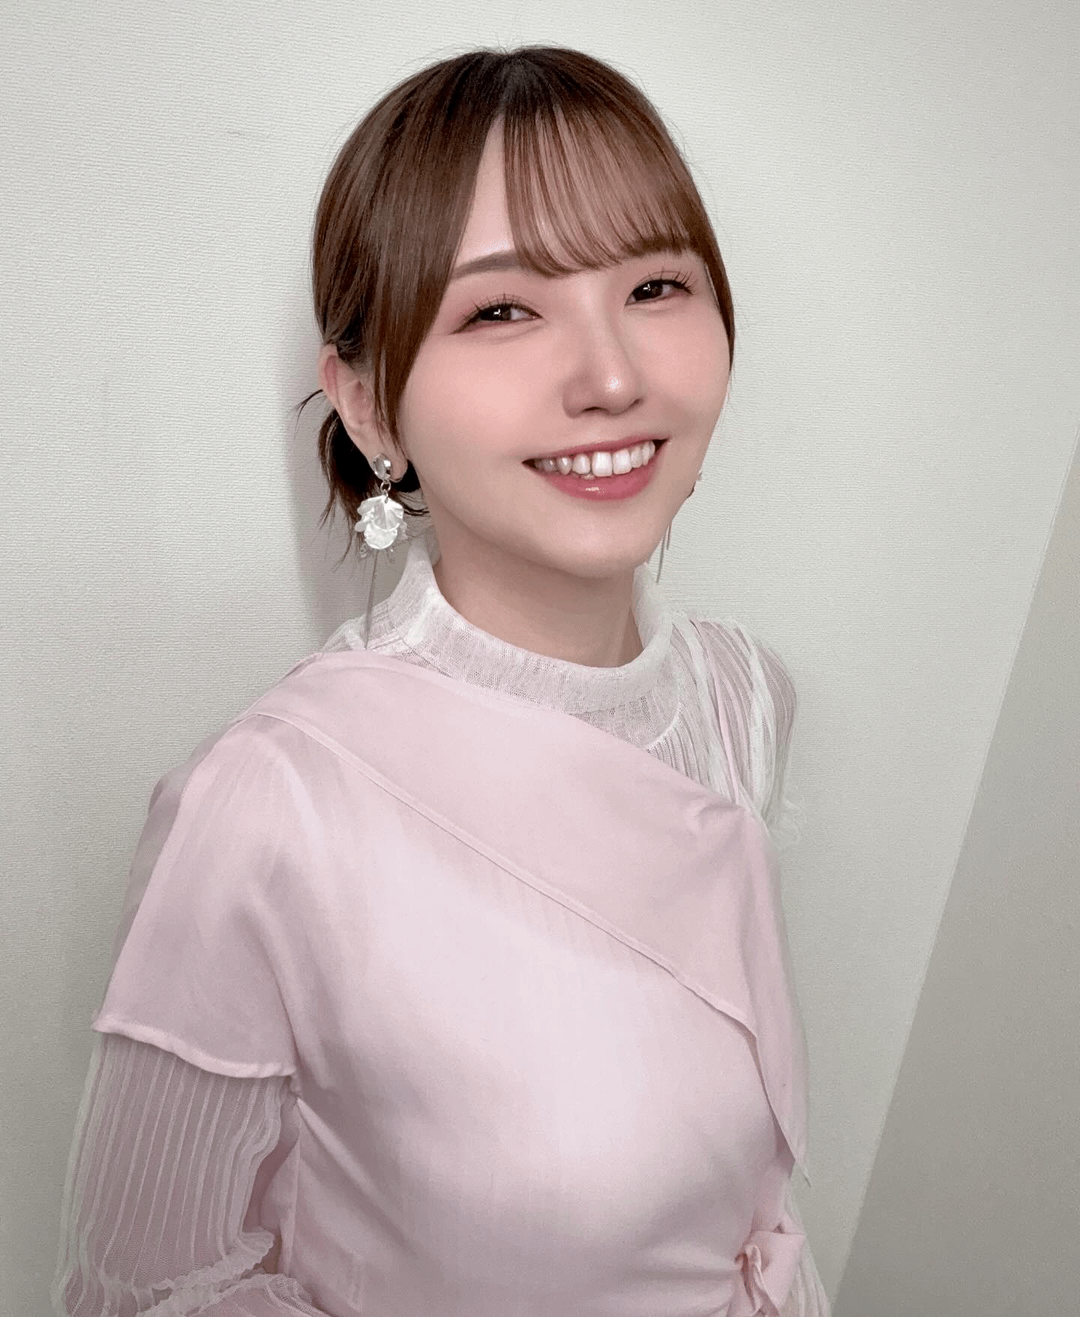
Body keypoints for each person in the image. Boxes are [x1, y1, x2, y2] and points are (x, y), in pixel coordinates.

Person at [52, 44, 830, 1317]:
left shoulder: (744, 698)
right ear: (368, 406)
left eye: (655, 285)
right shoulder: (267, 809)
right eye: (502, 311)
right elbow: (148, 1292)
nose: (613, 377)